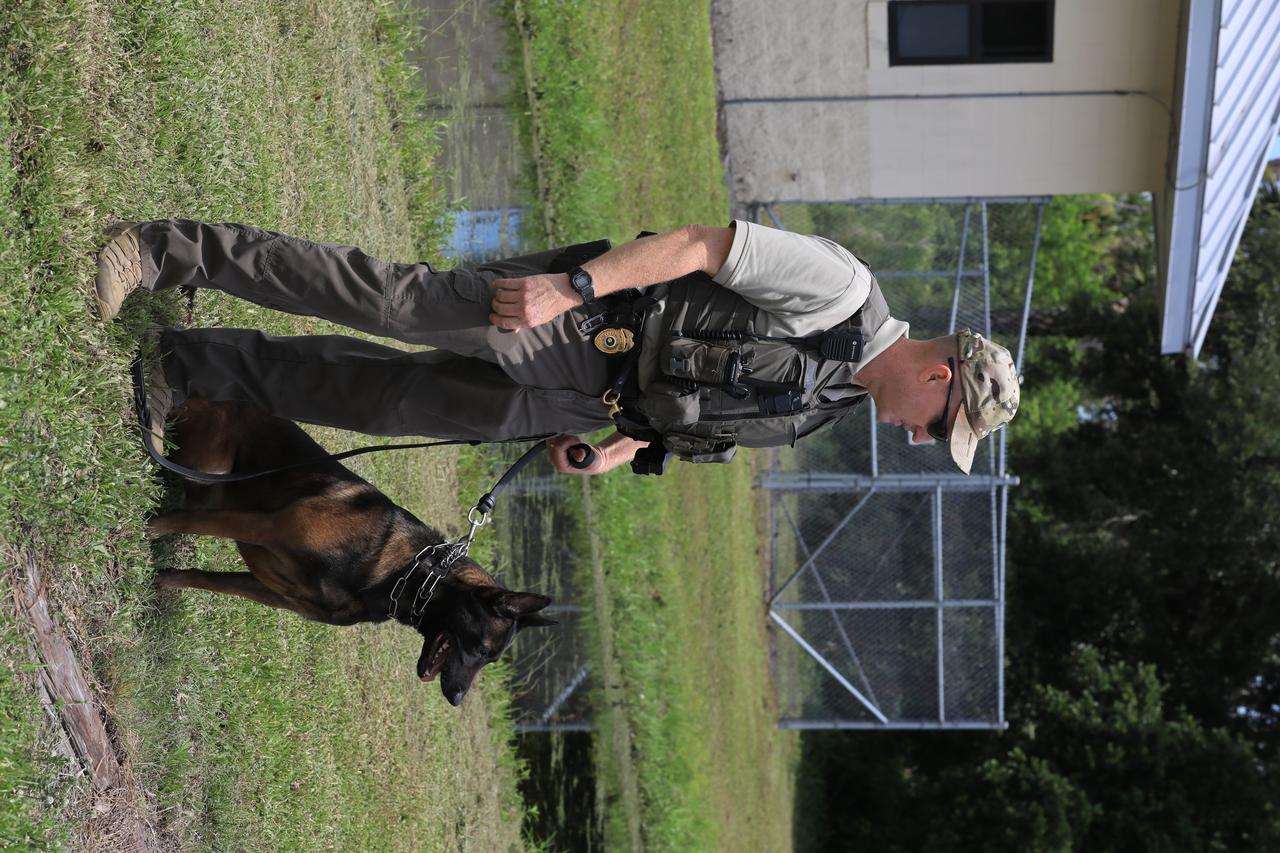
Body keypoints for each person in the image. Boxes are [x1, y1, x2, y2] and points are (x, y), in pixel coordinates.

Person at [94, 219, 1020, 476]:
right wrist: (569, 287)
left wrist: (617, 446)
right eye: (939, 428)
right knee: (389, 302)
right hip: (585, 319)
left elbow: (699, 419)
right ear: (939, 376)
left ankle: (183, 367)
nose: (919, 439)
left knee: (379, 400)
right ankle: (165, 249)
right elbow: (702, 245)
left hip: (578, 402)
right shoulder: (842, 291)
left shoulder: (834, 402)